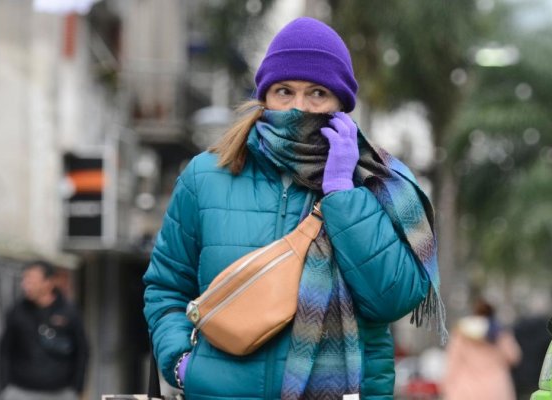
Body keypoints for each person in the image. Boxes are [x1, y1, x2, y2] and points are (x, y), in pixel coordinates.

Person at [143, 17, 445, 399]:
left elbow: (393, 299)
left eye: (317, 93)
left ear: (341, 103)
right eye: (284, 91)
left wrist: (342, 196)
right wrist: (183, 365)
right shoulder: (205, 176)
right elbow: (166, 287)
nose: (298, 107)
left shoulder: (377, 182)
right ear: (265, 96)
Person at [0, 260, 89, 400]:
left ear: (49, 282)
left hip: (60, 392)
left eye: (31, 280)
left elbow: (82, 350)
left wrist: (78, 388)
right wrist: (5, 387)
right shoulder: (17, 311)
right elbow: (4, 350)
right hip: (20, 392)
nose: (25, 285)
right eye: (24, 279)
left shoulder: (69, 311)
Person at [441, 298, 521, 400]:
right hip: (496, 388)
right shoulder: (500, 333)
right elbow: (514, 357)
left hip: (466, 389)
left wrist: (445, 387)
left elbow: (453, 363)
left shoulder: (461, 333)